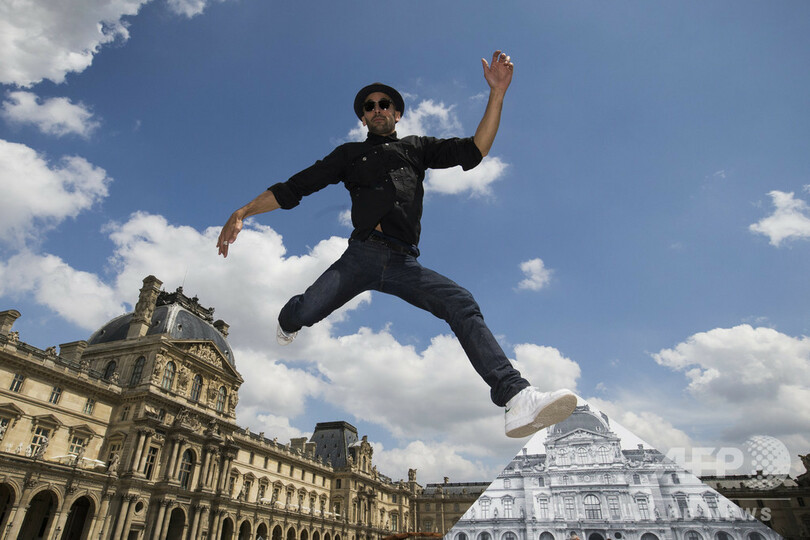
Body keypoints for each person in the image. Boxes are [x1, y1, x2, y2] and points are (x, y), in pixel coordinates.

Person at [216, 51, 576, 438]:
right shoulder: (348, 155)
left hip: (405, 264)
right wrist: (243, 211)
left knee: (460, 302)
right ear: (363, 118)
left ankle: (516, 396)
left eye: (384, 104)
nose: (377, 109)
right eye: (369, 107)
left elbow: (476, 150)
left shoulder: (417, 148)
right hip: (361, 256)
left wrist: (497, 94)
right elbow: (295, 187)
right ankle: (288, 321)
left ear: (397, 113)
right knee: (304, 311)